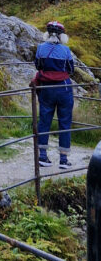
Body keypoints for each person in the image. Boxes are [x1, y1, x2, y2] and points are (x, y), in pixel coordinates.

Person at [32, 20, 75, 169]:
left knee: (44, 120)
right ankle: (63, 159)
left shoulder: (40, 48)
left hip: (46, 89)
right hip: (63, 89)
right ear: (62, 35)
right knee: (65, 122)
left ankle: (43, 157)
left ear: (47, 33)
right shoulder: (66, 50)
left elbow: (38, 65)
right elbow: (71, 69)